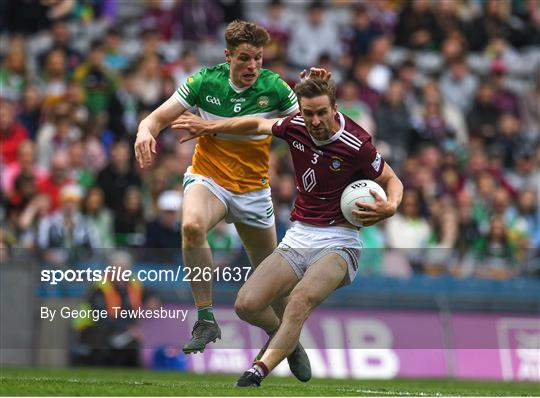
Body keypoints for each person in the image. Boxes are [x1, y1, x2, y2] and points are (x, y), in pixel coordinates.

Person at [172, 77, 403, 387]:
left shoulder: (356, 143)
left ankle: (257, 371)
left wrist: (391, 206)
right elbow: (256, 124)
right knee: (246, 305)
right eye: (309, 113)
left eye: (322, 112)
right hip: (299, 236)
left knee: (299, 300)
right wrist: (211, 127)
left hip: (340, 241)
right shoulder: (295, 126)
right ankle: (288, 342)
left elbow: (393, 180)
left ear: (335, 108)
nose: (315, 121)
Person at [134, 20, 323, 381]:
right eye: (245, 58)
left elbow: (312, 125)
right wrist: (145, 131)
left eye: (259, 58)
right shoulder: (205, 82)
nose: (253, 66)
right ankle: (205, 319)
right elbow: (155, 119)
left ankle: (288, 340)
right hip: (210, 180)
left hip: (253, 191)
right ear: (228, 56)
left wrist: (316, 88)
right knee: (191, 226)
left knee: (274, 284)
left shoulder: (275, 89)